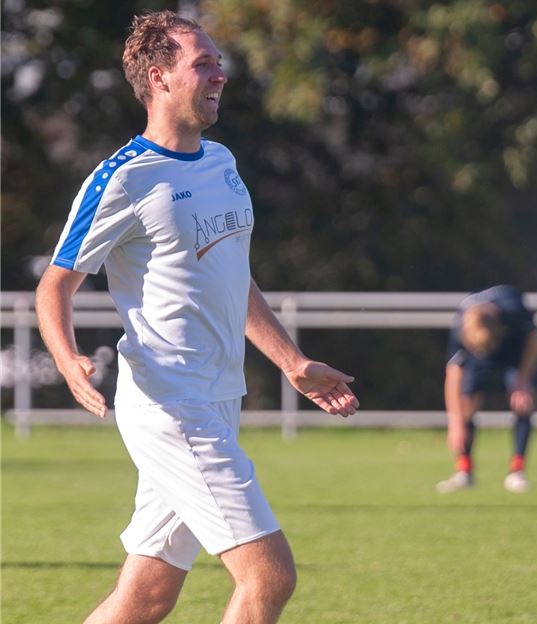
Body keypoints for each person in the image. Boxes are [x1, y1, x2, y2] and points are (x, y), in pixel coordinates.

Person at [35, 11, 358, 624]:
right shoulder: (123, 179)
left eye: (218, 61)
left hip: (217, 398)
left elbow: (233, 277)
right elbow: (55, 285)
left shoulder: (222, 162)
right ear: (158, 77)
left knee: (145, 598)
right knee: (269, 576)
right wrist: (67, 357)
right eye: (203, 63)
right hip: (170, 405)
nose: (221, 74)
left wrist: (293, 363)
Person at [437, 285, 537, 494]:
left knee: (523, 402)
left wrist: (522, 380)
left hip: (513, 351)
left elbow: (534, 341)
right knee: (465, 405)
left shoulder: (514, 311)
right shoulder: (461, 323)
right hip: (479, 355)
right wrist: (455, 422)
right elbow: (453, 374)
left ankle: (517, 471)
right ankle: (464, 470)